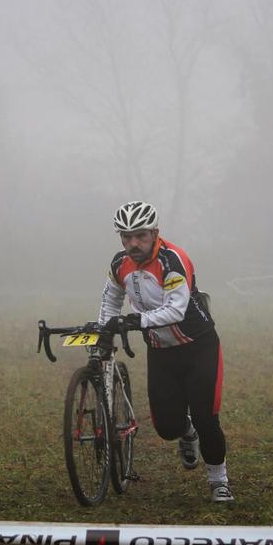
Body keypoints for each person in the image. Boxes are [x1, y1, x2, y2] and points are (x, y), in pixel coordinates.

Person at [98, 200, 234, 502]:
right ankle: (187, 433)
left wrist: (137, 320)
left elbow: (176, 309)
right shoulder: (120, 264)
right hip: (161, 352)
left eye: (140, 236)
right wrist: (104, 331)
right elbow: (110, 302)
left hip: (199, 348)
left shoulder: (173, 260)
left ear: (155, 233)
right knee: (167, 428)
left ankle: (219, 480)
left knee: (206, 418)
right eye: (126, 236)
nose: (133, 243)